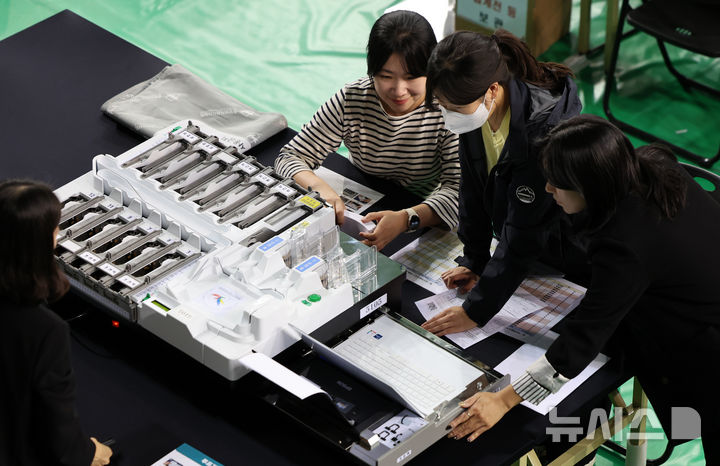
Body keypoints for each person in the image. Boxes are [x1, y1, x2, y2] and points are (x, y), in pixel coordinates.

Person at [445, 115, 720, 463]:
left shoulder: (626, 246)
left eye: (556, 185)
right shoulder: (650, 164)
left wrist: (504, 399)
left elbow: (581, 340)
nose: (547, 190)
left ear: (589, 187)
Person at [420, 29, 583, 336]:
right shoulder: (476, 110)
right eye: (441, 105)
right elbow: (473, 188)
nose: (447, 117)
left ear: (491, 90)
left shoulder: (544, 135)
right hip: (519, 251)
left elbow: (525, 235)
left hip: (567, 254)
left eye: (453, 108)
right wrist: (475, 259)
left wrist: (476, 311)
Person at [274, 10, 460, 250]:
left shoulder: (449, 110)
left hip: (422, 210)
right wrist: (322, 191)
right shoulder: (354, 98)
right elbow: (291, 156)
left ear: (432, 70)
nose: (398, 90)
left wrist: (407, 219)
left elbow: (458, 191)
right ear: (371, 69)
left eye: (412, 77)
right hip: (362, 198)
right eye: (386, 76)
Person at [0, 180, 114, 466]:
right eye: (54, 228)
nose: (59, 233)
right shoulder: (44, 330)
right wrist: (88, 454)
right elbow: (54, 419)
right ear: (38, 243)